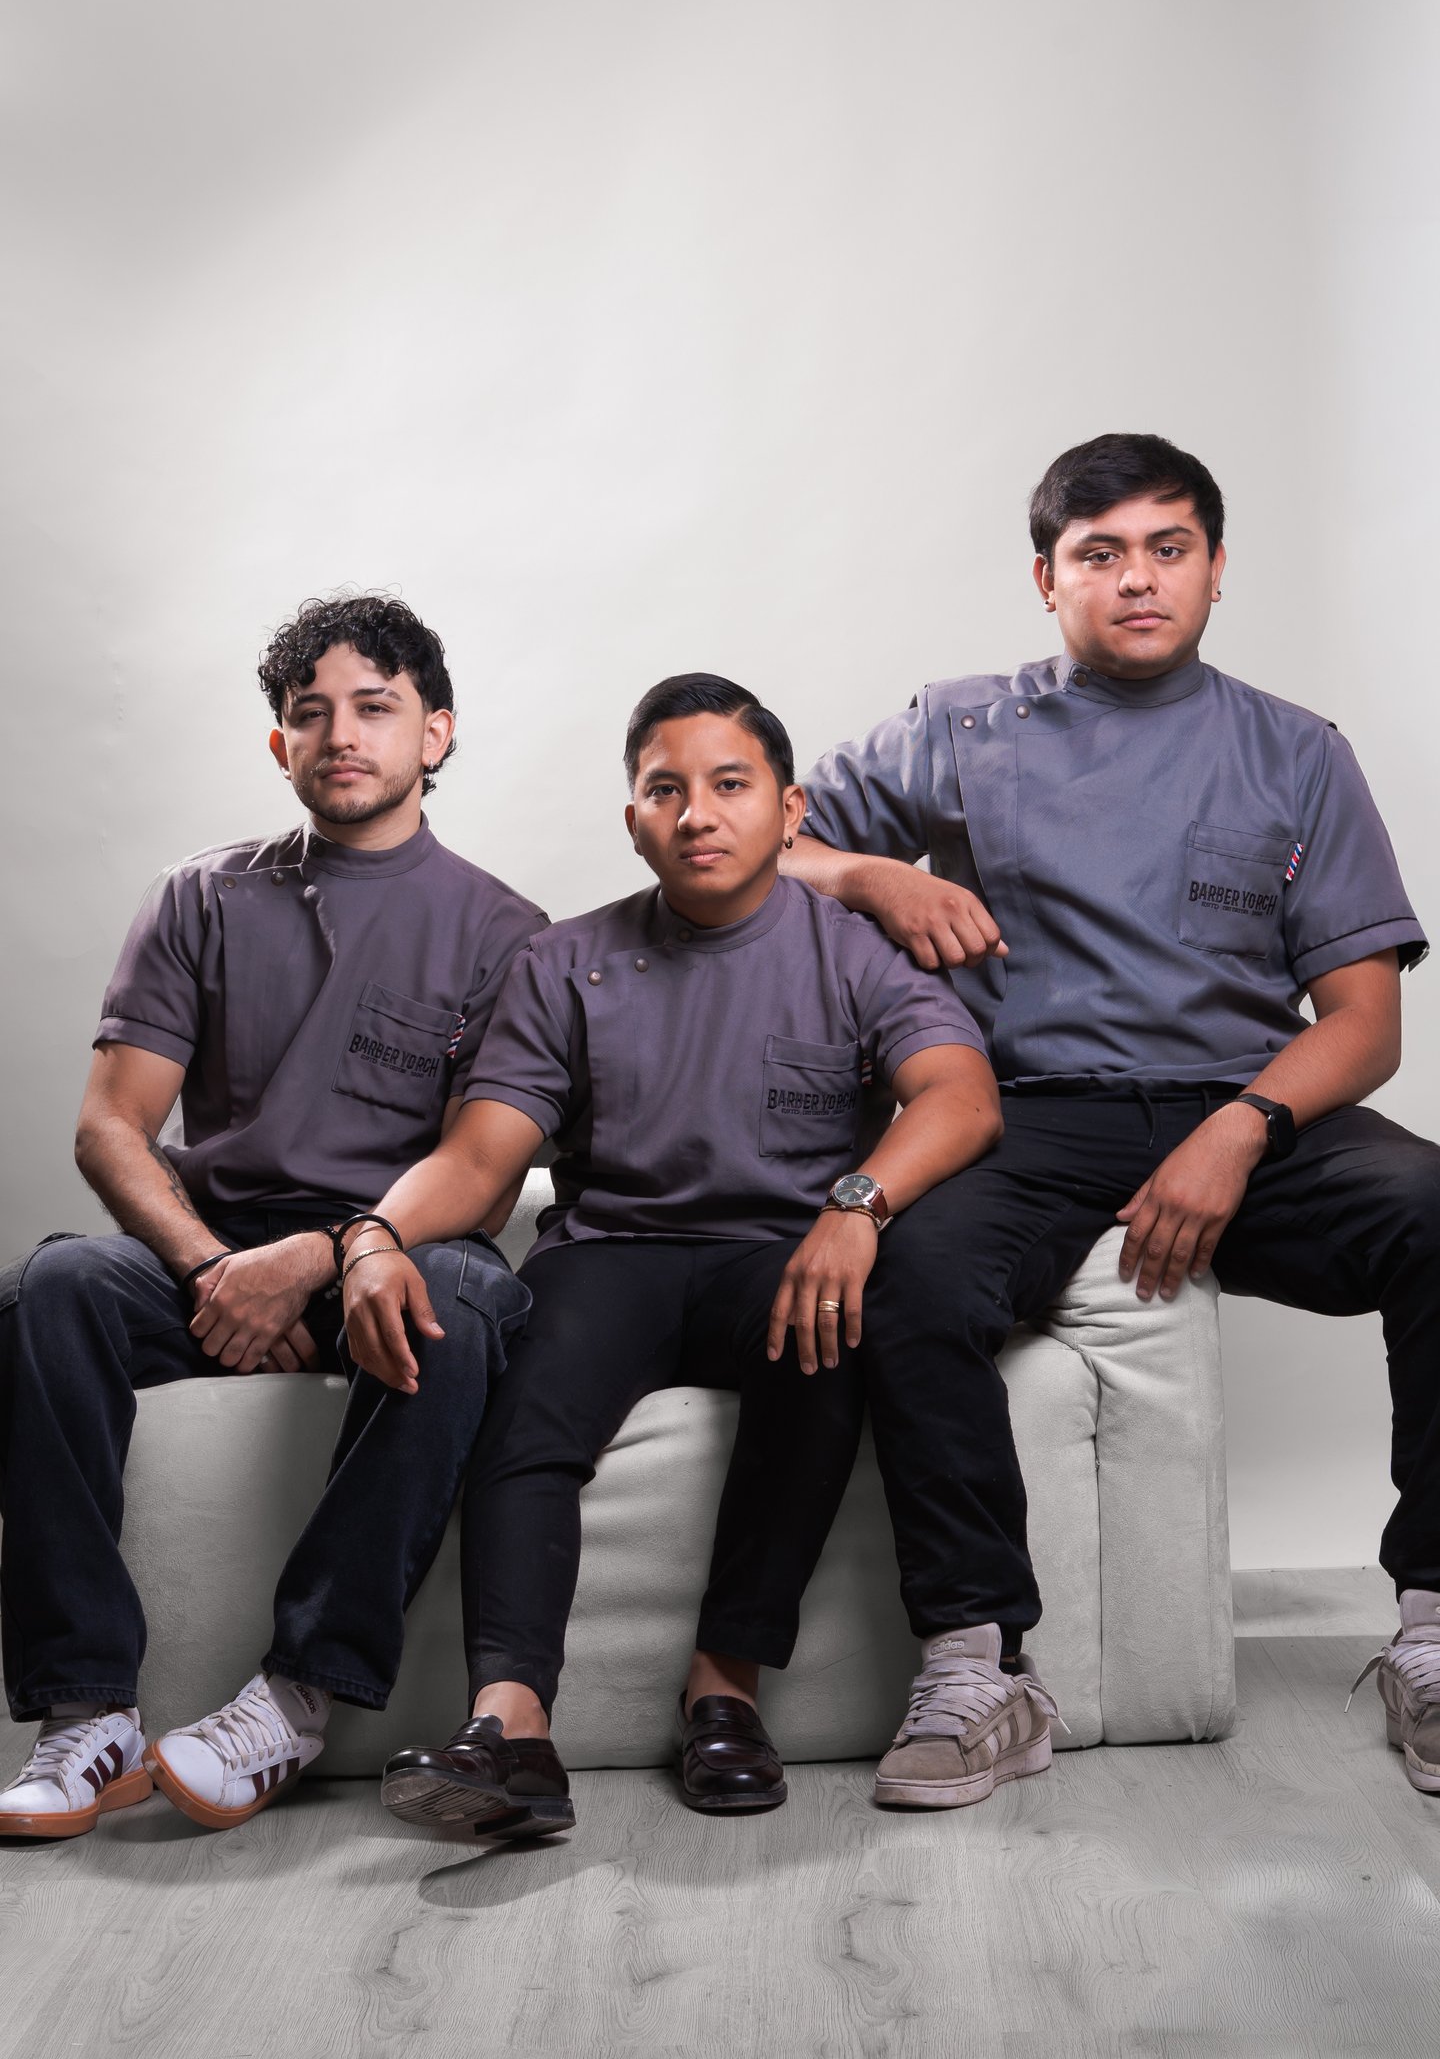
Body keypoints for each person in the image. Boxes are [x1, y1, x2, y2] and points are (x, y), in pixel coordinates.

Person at [788, 430, 1440, 1797]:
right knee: (912, 1274)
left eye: (1167, 548)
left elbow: (1364, 1024)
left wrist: (1241, 1129)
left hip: (1242, 1106)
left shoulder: (1295, 752)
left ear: (1215, 569)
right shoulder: (961, 727)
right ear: (1048, 579)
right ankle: (977, 1667)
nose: (1137, 579)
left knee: (1437, 1213)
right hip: (1021, 1110)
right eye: (1100, 554)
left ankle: (1436, 1631)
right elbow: (762, 840)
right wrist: (874, 878)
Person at [340, 673, 1054, 1837]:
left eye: (730, 785)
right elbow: (481, 1156)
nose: (697, 814)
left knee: (826, 1343)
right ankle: (511, 1730)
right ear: (634, 819)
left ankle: (725, 1693)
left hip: (776, 1252)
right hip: (611, 1252)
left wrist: (857, 1207)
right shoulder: (565, 961)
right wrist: (373, 1233)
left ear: (790, 809)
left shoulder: (854, 954)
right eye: (665, 790)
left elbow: (962, 1098)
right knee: (526, 1405)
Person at [0, 595, 543, 1839]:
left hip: (392, 1249)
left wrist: (326, 1256)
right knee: (51, 1290)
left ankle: (296, 1698)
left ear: (436, 734)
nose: (340, 735)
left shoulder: (507, 934)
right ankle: (85, 1712)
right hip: (212, 1245)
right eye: (311, 713)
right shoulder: (201, 897)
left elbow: (483, 1167)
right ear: (278, 743)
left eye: (375, 708)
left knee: (464, 1300)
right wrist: (212, 1270)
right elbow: (111, 1126)